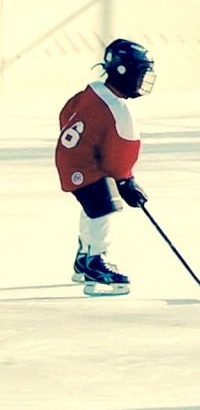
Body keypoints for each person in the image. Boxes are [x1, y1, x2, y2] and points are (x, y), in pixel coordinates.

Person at [55, 39, 155, 296]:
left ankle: (84, 257)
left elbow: (66, 114)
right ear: (125, 72)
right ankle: (96, 261)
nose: (143, 79)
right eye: (140, 73)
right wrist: (125, 182)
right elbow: (121, 152)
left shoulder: (91, 93)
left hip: (70, 160)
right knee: (104, 207)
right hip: (85, 165)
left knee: (91, 205)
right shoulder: (117, 109)